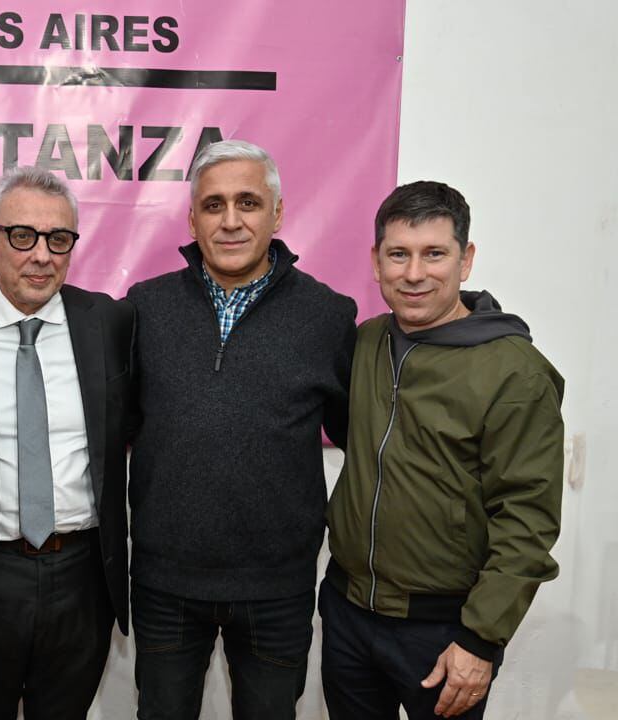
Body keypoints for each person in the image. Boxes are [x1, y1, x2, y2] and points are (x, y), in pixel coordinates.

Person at [125, 139, 357, 719]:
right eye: (214, 205)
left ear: (277, 213)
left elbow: (359, 435)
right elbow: (120, 426)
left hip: (277, 588)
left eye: (248, 203)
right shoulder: (144, 309)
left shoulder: (328, 316)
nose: (231, 221)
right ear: (193, 217)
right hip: (166, 583)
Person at [321, 180, 564, 719]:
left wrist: (482, 640)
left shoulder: (514, 373)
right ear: (376, 261)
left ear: (466, 259)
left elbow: (527, 517)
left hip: (445, 630)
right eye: (398, 254)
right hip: (349, 613)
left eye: (434, 254)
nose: (413, 274)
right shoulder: (366, 342)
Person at [0, 166, 134, 720]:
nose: (41, 255)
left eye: (58, 239)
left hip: (82, 578)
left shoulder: (110, 323)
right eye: (22, 236)